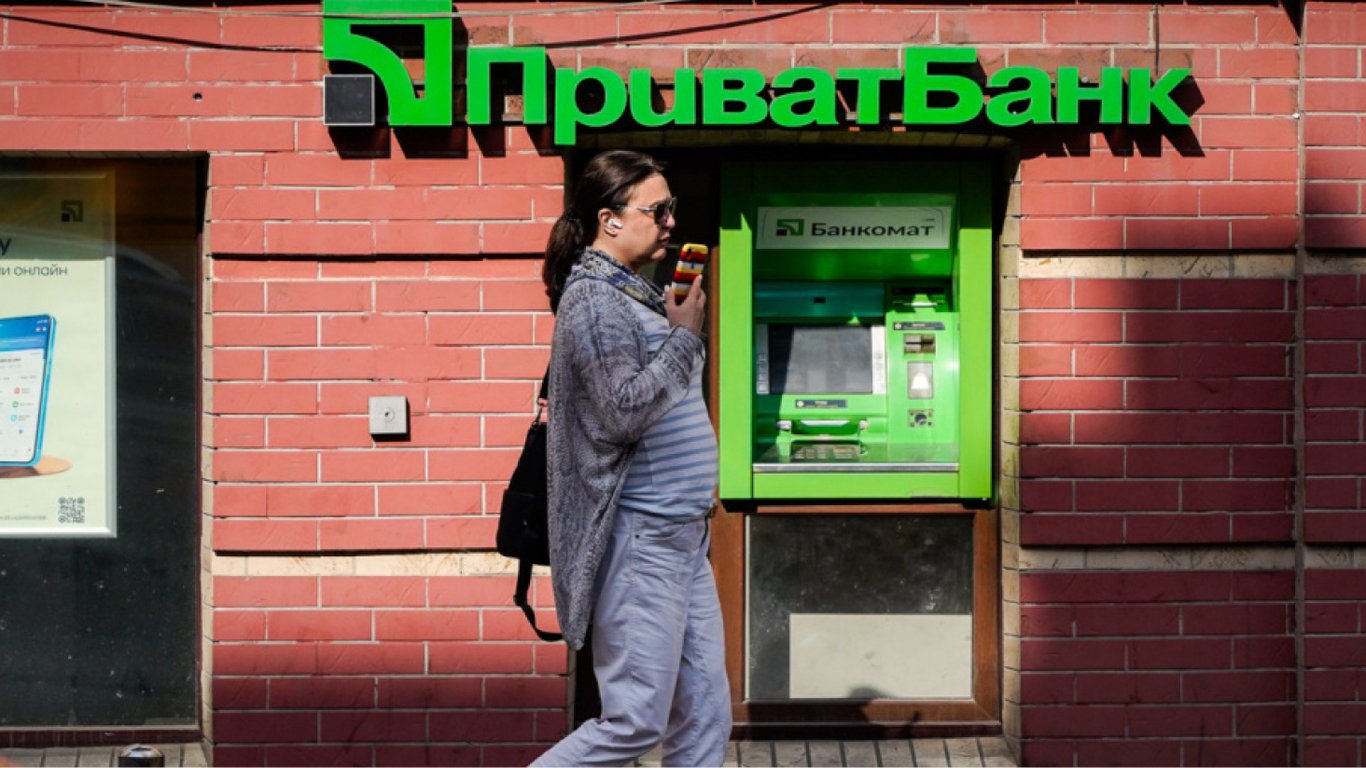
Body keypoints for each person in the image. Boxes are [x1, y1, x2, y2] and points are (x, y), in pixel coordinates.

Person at [531, 150, 731, 767]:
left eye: (672, 208)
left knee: (704, 715)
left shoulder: (635, 296)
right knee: (635, 721)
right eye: (658, 210)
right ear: (609, 219)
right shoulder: (595, 301)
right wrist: (685, 335)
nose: (671, 221)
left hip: (682, 536)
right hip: (642, 540)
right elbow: (622, 411)